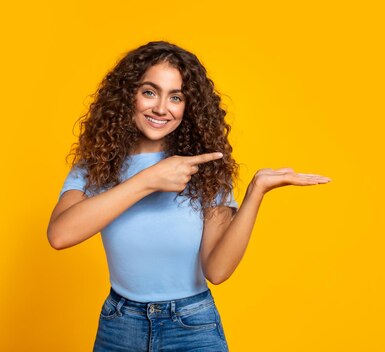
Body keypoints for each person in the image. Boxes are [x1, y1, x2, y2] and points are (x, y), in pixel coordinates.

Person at [47, 41, 331, 351]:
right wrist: (148, 180)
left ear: (188, 105)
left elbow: (217, 270)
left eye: (176, 97)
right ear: (128, 94)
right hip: (120, 327)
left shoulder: (205, 167)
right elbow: (60, 235)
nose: (161, 108)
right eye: (149, 92)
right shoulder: (97, 164)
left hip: (191, 326)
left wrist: (255, 192)